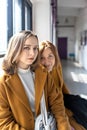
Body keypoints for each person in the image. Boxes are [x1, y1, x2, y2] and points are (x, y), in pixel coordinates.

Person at [0, 30, 72, 130]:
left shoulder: (42, 73)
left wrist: (64, 127)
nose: (32, 53)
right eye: (26, 48)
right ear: (15, 49)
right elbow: (3, 122)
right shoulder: (3, 82)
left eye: (35, 48)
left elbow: (57, 103)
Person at [39, 40, 86, 130]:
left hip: (63, 100)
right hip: (53, 109)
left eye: (50, 56)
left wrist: (72, 102)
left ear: (55, 57)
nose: (47, 61)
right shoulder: (41, 75)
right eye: (42, 58)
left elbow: (62, 87)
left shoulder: (56, 68)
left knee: (81, 105)